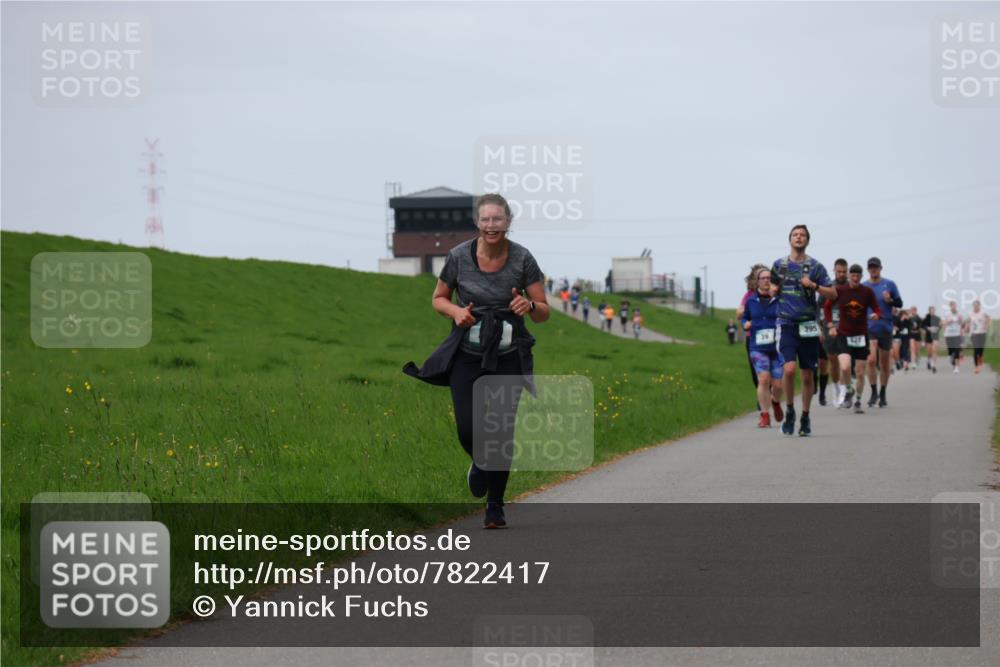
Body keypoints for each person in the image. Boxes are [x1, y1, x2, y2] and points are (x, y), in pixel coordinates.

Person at [403, 193, 549, 529]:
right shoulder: (458, 257)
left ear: (508, 223)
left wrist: (528, 306)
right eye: (485, 219)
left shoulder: (523, 258)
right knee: (469, 428)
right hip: (467, 357)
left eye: (497, 219)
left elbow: (543, 312)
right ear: (477, 223)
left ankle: (494, 507)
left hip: (509, 357)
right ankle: (481, 464)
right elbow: (438, 298)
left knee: (500, 432)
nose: (491, 225)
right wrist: (455, 311)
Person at [770, 225, 837, 436]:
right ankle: (790, 410)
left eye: (803, 235)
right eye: (795, 235)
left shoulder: (815, 266)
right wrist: (774, 289)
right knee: (789, 369)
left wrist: (814, 286)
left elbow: (833, 293)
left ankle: (805, 417)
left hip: (808, 324)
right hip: (786, 323)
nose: (799, 238)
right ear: (789, 239)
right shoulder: (778, 265)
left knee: (808, 377)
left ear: (807, 241)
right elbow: (771, 290)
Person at [825, 264, 880, 413]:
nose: (855, 278)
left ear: (861, 277)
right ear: (849, 276)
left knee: (861, 372)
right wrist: (830, 325)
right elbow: (827, 306)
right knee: (845, 367)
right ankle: (849, 389)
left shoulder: (867, 292)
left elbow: (877, 308)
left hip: (861, 336)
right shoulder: (840, 290)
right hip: (844, 334)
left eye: (858, 276)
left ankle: (858, 402)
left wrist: (876, 315)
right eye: (853, 275)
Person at [741, 268, 785, 427]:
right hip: (757, 347)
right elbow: (745, 317)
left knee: (778, 385)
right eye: (763, 278)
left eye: (769, 278)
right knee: (764, 379)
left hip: (776, 348)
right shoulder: (751, 300)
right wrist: (745, 323)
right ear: (758, 281)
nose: (766, 280)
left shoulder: (780, 300)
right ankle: (764, 415)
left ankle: (775, 401)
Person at [862, 257, 902, 408]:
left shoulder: (889, 284)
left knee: (884, 363)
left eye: (876, 267)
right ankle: (873, 392)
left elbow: (899, 303)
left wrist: (890, 300)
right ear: (868, 269)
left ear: (880, 268)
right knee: (871, 361)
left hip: (885, 326)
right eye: (871, 267)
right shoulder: (864, 286)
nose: (873, 270)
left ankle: (883, 393)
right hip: (869, 327)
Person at [817, 258, 848, 405]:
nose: (842, 274)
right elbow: (819, 308)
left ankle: (844, 389)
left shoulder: (851, 287)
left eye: (844, 271)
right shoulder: (828, 287)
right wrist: (820, 328)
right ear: (834, 271)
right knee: (833, 361)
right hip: (830, 329)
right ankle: (836, 388)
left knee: (846, 362)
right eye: (839, 271)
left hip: (847, 329)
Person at [968, 300, 991, 374]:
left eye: (977, 305)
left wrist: (986, 325)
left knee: (981, 349)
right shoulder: (970, 313)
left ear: (979, 306)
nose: (975, 307)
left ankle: (980, 358)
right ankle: (976, 367)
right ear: (973, 306)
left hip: (982, 333)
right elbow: (969, 322)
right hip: (974, 334)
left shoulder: (983, 313)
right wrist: (965, 329)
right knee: (976, 349)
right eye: (974, 306)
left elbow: (989, 319)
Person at [942, 300, 965, 373]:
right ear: (950, 306)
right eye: (952, 306)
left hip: (956, 334)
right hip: (948, 334)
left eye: (955, 306)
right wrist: (949, 321)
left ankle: (956, 368)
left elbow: (962, 324)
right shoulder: (946, 314)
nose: (954, 307)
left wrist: (961, 321)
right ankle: (951, 357)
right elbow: (943, 323)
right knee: (951, 351)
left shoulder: (959, 314)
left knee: (957, 350)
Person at [923, 306, 941, 373]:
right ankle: (928, 360)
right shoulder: (926, 318)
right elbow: (923, 325)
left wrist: (937, 328)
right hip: (928, 336)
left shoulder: (937, 318)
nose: (932, 311)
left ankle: (933, 365)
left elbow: (940, 326)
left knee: (934, 350)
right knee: (929, 352)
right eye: (931, 310)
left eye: (933, 310)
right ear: (929, 311)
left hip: (935, 336)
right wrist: (928, 328)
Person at [908, 306, 923, 370]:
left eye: (914, 310)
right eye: (912, 310)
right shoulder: (909, 318)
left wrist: (917, 330)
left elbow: (921, 327)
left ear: (916, 311)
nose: (913, 311)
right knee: (912, 349)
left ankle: (917, 358)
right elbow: (907, 326)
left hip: (917, 335)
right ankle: (913, 363)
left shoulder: (919, 318)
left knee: (917, 350)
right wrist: (910, 330)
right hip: (911, 335)